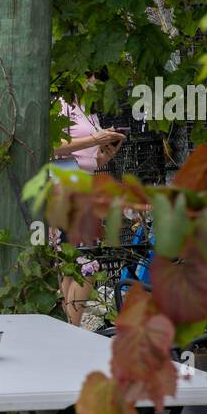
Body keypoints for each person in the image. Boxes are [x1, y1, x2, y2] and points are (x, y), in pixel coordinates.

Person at [53, 96, 125, 324]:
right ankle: (71, 329)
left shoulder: (87, 108)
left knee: (71, 264)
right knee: (88, 264)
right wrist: (95, 138)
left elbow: (85, 160)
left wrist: (104, 155)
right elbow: (53, 146)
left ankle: (66, 328)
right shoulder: (61, 102)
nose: (94, 79)